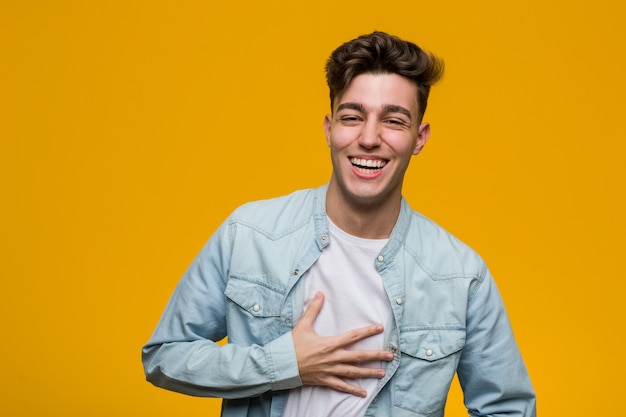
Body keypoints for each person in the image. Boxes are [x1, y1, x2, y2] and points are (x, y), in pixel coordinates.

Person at [142, 31, 536, 417]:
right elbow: (166, 355)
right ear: (330, 129)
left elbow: (508, 408)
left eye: (394, 121)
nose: (369, 138)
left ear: (420, 137)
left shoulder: (460, 275)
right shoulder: (249, 234)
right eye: (353, 116)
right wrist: (283, 364)